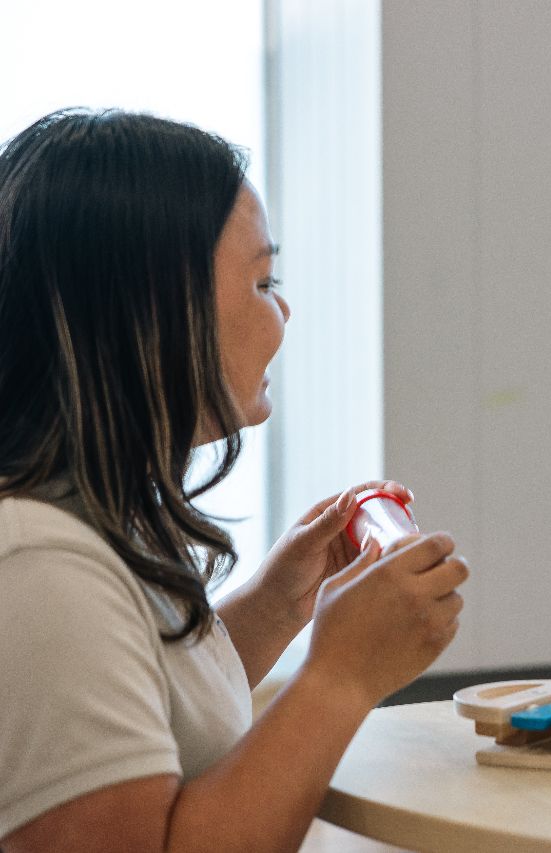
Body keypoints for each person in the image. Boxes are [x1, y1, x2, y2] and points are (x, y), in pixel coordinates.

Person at [0, 109, 468, 851]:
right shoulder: (38, 566)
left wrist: (277, 606)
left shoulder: (87, 524)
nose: (282, 312)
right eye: (261, 281)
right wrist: (339, 674)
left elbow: (162, 723)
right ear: (149, 310)